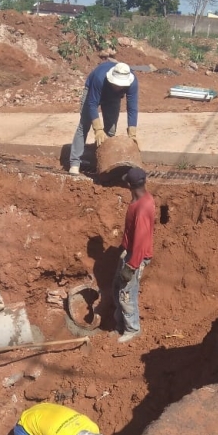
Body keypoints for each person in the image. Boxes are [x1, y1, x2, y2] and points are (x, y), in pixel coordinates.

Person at [68, 61, 139, 176]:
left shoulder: (133, 82)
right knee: (84, 125)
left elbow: (132, 108)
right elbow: (92, 104)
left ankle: (103, 161)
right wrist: (98, 129)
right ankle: (75, 162)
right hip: (93, 91)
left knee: (110, 130)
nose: (118, 87)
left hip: (114, 98)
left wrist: (132, 133)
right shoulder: (99, 77)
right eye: (116, 84)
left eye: (121, 85)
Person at [114, 167, 155, 343]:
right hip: (129, 252)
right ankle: (120, 324)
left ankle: (132, 329)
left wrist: (131, 266)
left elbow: (141, 241)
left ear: (130, 185)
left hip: (135, 256)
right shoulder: (141, 199)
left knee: (126, 294)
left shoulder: (143, 208)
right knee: (117, 288)